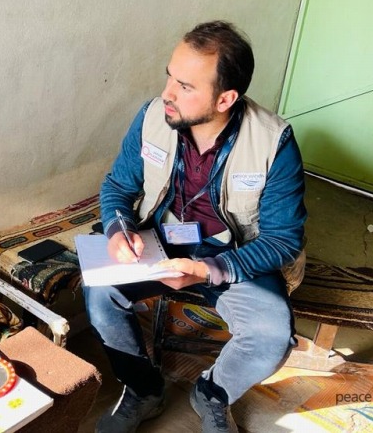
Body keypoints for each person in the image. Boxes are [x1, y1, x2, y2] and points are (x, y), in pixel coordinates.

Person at [85, 21, 307, 433]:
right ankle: (143, 390)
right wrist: (118, 230)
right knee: (100, 293)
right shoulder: (153, 117)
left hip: (234, 254)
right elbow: (118, 186)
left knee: (270, 336)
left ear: (225, 98)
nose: (167, 93)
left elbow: (283, 239)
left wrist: (206, 270)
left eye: (185, 86)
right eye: (170, 76)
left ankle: (212, 393)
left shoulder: (273, 142)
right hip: (160, 240)